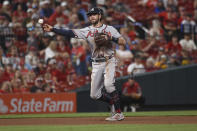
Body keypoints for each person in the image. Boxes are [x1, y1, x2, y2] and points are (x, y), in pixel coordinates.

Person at [43, 7, 126, 121]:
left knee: (109, 85)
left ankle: (119, 113)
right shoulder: (87, 30)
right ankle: (112, 102)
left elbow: (123, 41)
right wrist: (53, 29)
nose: (91, 16)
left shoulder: (109, 29)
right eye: (90, 15)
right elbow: (69, 32)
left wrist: (110, 37)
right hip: (96, 63)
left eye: (94, 14)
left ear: (100, 16)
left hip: (109, 61)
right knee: (94, 95)